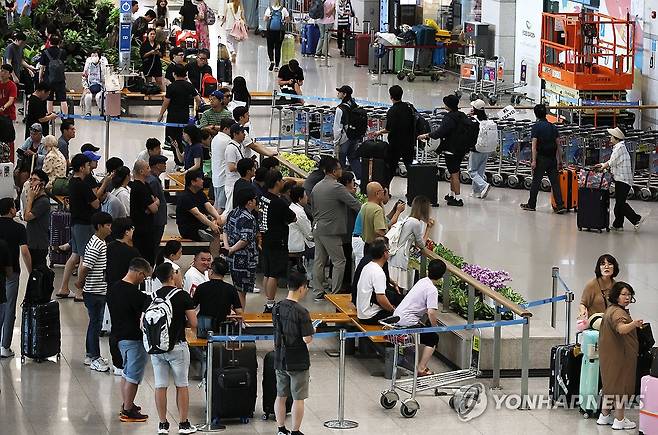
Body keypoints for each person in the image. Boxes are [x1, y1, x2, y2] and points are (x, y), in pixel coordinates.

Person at [149, 262, 198, 435]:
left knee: (160, 385)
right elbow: (194, 323)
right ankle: (183, 424)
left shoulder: (152, 296)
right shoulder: (182, 295)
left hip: (156, 347)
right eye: (177, 273)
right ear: (172, 276)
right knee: (181, 384)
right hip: (177, 346)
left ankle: (162, 424)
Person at [56, 154, 112, 300]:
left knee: (74, 255)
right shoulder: (82, 185)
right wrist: (105, 184)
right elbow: (96, 203)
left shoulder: (72, 182)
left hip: (75, 223)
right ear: (81, 167)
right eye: (87, 165)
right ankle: (80, 291)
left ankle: (64, 287)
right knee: (83, 257)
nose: (89, 167)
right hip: (84, 224)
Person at [106, 257, 151, 423]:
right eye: (144, 277)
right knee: (133, 375)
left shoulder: (114, 288)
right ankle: (127, 411)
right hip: (133, 337)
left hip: (117, 335)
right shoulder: (134, 294)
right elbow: (146, 307)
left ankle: (127, 403)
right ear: (139, 273)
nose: (144, 280)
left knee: (126, 372)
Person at [310, 157, 362, 300]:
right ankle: (335, 293)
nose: (341, 170)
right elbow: (354, 204)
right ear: (333, 171)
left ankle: (318, 292)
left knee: (319, 261)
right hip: (331, 230)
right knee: (339, 261)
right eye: (339, 168)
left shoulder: (317, 186)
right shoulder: (336, 187)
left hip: (318, 227)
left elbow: (312, 207)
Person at [272, 269, 315, 435]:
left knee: (281, 395)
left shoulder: (276, 307)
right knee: (298, 397)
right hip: (298, 359)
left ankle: (281, 429)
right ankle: (295, 431)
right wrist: (313, 331)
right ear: (302, 287)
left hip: (280, 356)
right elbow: (307, 339)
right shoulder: (302, 312)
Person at [597, 281, 642, 430]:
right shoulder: (618, 312)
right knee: (620, 387)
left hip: (609, 356)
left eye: (629, 294)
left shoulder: (610, 310)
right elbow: (621, 329)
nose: (627, 297)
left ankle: (604, 416)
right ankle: (620, 420)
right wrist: (634, 324)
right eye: (624, 294)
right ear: (616, 296)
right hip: (620, 357)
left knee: (609, 386)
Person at [393, 259, 446, 376]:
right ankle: (421, 368)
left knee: (425, 331)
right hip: (407, 322)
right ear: (442, 276)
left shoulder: (422, 281)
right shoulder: (432, 290)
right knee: (433, 338)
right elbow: (431, 312)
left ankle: (413, 362)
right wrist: (435, 328)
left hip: (397, 317)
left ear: (428, 271)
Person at [74, 211, 113, 372]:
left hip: (98, 289)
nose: (110, 228)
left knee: (94, 323)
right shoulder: (97, 243)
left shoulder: (100, 242)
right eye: (108, 225)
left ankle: (91, 354)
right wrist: (80, 283)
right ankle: (94, 357)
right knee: (95, 324)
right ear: (99, 227)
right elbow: (85, 267)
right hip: (94, 291)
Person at [418, 94, 469, 206]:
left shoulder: (449, 118)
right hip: (461, 148)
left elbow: (440, 133)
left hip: (451, 149)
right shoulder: (462, 115)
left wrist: (426, 135)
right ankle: (452, 195)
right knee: (453, 171)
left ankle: (458, 198)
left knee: (454, 173)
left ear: (448, 105)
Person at [259, 170, 297, 313]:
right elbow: (292, 217)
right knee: (274, 274)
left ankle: (268, 299)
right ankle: (270, 303)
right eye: (281, 180)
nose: (282, 183)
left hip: (266, 238)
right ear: (277, 183)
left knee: (267, 273)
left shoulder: (263, 198)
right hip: (278, 240)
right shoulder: (278, 202)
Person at [519, 104, 566, 213]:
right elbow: (559, 145)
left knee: (536, 182)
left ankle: (531, 204)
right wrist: (560, 160)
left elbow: (534, 145)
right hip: (552, 158)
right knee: (555, 183)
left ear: (536, 114)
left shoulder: (536, 127)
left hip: (541, 158)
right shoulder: (553, 127)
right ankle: (560, 205)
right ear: (546, 113)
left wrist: (534, 160)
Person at [595, 127, 644, 231]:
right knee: (618, 203)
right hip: (621, 179)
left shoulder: (619, 148)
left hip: (623, 180)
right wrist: (603, 164)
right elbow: (614, 161)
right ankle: (618, 224)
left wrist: (603, 166)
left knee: (621, 204)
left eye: (612, 136)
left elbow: (612, 162)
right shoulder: (619, 147)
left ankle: (636, 219)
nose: (610, 137)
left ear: (616, 138)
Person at [0, 197, 31, 358]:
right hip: (12, 272)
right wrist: (31, 271)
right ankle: (4, 346)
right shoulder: (19, 228)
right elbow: (24, 251)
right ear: (11, 210)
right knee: (9, 307)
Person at [158, 65, 202, 165]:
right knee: (185, 139)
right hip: (184, 116)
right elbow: (198, 100)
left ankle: (178, 161)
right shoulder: (189, 86)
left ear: (174, 74)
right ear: (185, 74)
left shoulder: (171, 87)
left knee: (174, 140)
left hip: (173, 117)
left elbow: (166, 102)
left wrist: (161, 114)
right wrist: (196, 110)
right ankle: (186, 160)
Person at [388, 196, 435, 291]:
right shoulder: (415, 223)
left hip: (394, 255)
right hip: (400, 258)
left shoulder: (408, 219)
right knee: (398, 287)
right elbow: (421, 245)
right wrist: (428, 228)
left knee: (392, 286)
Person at [372, 85, 414, 185]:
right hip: (408, 142)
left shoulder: (392, 111)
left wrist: (379, 132)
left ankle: (386, 190)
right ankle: (413, 190)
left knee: (390, 168)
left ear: (391, 97)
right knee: (410, 167)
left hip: (395, 144)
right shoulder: (408, 108)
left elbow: (388, 129)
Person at [356, 238, 402, 324]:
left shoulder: (368, 266)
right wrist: (393, 310)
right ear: (384, 254)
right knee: (402, 315)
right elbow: (381, 299)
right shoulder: (378, 272)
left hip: (362, 313)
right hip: (370, 316)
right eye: (388, 250)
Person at [225, 188, 258, 309]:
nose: (256, 202)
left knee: (237, 288)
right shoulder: (249, 218)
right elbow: (245, 239)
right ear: (249, 202)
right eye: (255, 200)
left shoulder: (233, 212)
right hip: (244, 259)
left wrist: (228, 247)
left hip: (232, 258)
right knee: (241, 291)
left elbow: (225, 231)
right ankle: (240, 318)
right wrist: (232, 249)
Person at [193, 257, 243, 327]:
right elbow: (239, 312)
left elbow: (192, 307)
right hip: (224, 328)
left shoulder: (201, 287)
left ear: (212, 271)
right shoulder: (231, 289)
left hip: (204, 328)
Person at [176, 170, 222, 242]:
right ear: (193, 182)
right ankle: (201, 234)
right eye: (200, 179)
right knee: (214, 234)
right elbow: (197, 213)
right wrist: (211, 225)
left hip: (201, 225)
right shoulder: (185, 197)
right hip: (188, 228)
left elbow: (208, 206)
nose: (203, 181)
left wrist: (218, 217)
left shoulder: (200, 193)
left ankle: (204, 234)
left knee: (216, 231)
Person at [130, 160, 159, 264]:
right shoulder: (139, 188)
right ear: (141, 171)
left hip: (148, 226)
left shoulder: (146, 185)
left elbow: (156, 200)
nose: (150, 170)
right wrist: (153, 205)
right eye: (147, 168)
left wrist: (152, 205)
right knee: (145, 257)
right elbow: (155, 208)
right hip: (142, 229)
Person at [22, 170, 51, 269]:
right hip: (32, 241)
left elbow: (27, 217)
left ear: (42, 184)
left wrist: (30, 199)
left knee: (37, 274)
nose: (31, 182)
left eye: (34, 180)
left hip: (38, 244)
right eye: (31, 180)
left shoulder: (43, 201)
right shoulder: (36, 199)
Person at [333, 85, 361, 178]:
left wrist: (336, 141)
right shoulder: (355, 105)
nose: (338, 93)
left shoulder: (340, 109)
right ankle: (361, 179)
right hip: (355, 136)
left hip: (344, 139)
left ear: (344, 94)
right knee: (353, 158)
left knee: (341, 161)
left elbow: (337, 127)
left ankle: (342, 181)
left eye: (340, 92)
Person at [579, 254, 619, 320]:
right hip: (596, 320)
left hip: (611, 319)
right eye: (603, 264)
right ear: (599, 268)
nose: (606, 266)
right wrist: (583, 312)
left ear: (614, 267)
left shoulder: (616, 286)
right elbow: (583, 304)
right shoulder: (591, 285)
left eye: (610, 264)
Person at [467, 99, 493, 199]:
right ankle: (476, 191)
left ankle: (484, 185)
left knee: (472, 171)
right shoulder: (486, 120)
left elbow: (470, 134)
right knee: (480, 171)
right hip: (486, 148)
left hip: (476, 148)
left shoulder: (474, 121)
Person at [106, 218, 141, 288]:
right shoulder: (133, 252)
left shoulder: (109, 246)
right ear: (127, 232)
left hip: (111, 287)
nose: (133, 231)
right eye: (132, 229)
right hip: (127, 287)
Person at [38, 35, 68, 115]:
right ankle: (65, 118)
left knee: (49, 99)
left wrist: (40, 78)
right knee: (63, 99)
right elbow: (62, 65)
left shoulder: (45, 52)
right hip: (60, 79)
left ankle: (50, 117)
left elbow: (42, 67)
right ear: (59, 42)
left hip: (48, 79)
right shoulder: (62, 52)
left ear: (50, 42)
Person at [210, 118, 235, 212]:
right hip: (224, 177)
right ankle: (215, 225)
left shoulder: (215, 138)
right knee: (221, 208)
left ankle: (213, 223)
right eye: (231, 130)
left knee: (217, 204)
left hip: (216, 176)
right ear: (225, 129)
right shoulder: (227, 141)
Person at [288, 185, 314, 276]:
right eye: (305, 195)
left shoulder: (291, 207)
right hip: (296, 244)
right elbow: (309, 234)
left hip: (291, 241)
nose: (307, 197)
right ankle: (310, 277)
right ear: (300, 199)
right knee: (318, 249)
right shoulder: (299, 212)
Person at [146, 155, 168, 250]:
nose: (165, 165)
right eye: (163, 163)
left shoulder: (153, 179)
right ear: (157, 165)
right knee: (154, 246)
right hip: (156, 221)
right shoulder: (153, 181)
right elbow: (152, 201)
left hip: (157, 220)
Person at [359, 182, 388, 253]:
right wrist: (387, 237)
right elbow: (378, 230)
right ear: (377, 194)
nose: (384, 194)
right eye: (383, 191)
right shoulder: (377, 209)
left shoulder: (364, 206)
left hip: (366, 245)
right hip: (376, 247)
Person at [81, 48, 109, 116]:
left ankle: (102, 112)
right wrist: (86, 87)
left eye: (95, 56)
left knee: (98, 97)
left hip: (101, 87)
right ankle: (88, 112)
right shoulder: (88, 65)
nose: (94, 57)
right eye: (92, 56)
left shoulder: (103, 64)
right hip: (90, 86)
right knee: (88, 96)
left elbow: (107, 77)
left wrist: (105, 88)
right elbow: (84, 77)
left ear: (99, 57)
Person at [264, 0, 289, 72]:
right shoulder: (283, 9)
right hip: (280, 32)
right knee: (278, 48)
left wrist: (269, 18)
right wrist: (283, 21)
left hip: (270, 31)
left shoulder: (269, 9)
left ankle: (272, 61)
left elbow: (265, 19)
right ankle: (277, 66)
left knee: (270, 47)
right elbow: (288, 19)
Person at [0, 64, 17, 149]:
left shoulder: (12, 85)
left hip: (8, 115)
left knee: (7, 137)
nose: (2, 73)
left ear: (9, 74)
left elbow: (11, 100)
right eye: (1, 70)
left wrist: (3, 107)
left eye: (5, 72)